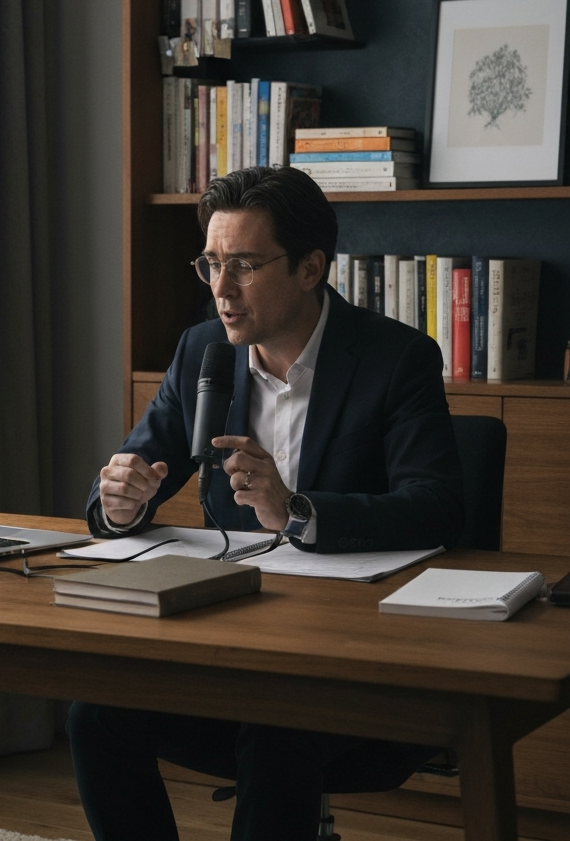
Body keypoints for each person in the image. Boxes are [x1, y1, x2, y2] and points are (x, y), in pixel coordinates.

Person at [67, 166, 464, 841]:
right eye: (211, 264)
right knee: (94, 715)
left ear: (310, 268)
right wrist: (121, 504)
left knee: (278, 733)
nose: (221, 289)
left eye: (244, 266)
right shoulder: (202, 351)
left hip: (353, 655)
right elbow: (133, 474)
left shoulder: (396, 358)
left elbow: (436, 507)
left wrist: (297, 510)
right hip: (233, 640)